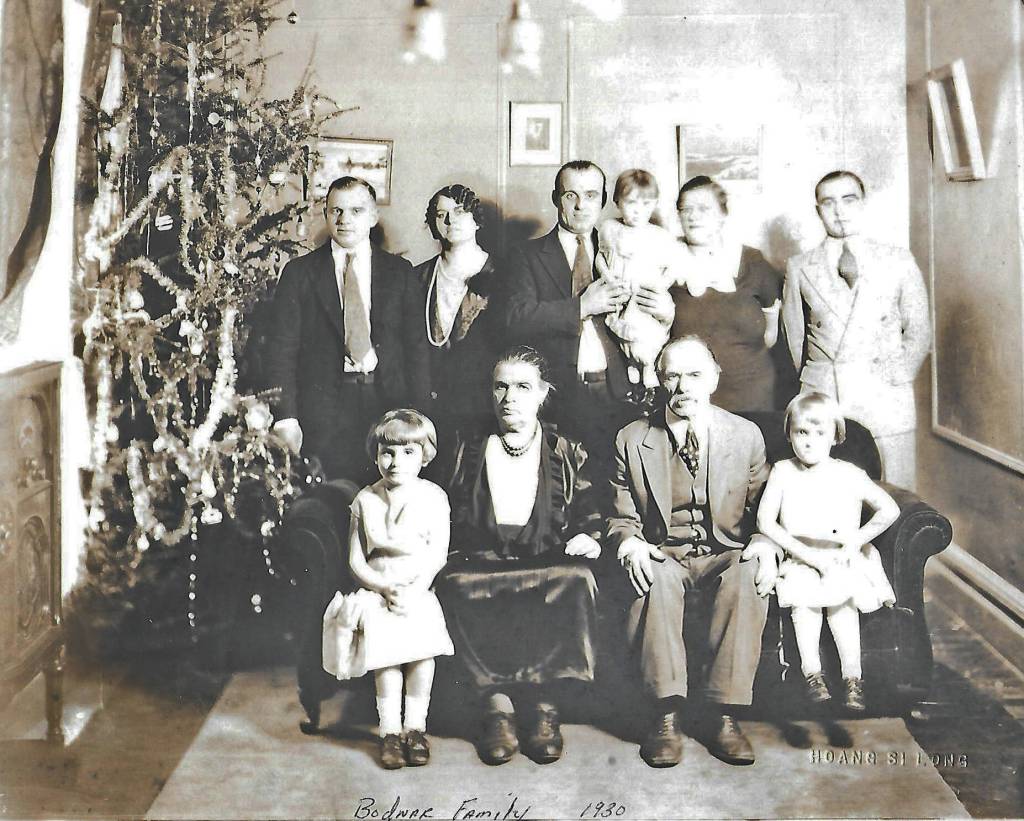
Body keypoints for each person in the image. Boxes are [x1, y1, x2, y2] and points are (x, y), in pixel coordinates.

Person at [607, 335, 778, 768]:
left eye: (695, 375)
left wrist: (764, 539)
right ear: (658, 380)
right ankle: (665, 716)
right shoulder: (632, 439)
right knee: (652, 576)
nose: (683, 386)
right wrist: (630, 543)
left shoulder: (745, 436)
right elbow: (620, 516)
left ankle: (724, 715)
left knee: (748, 573)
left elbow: (765, 509)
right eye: (673, 375)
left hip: (724, 550)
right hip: (664, 551)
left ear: (715, 378)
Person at [436, 346, 604, 766]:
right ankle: (498, 709)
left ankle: (545, 707)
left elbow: (589, 512)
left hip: (546, 557)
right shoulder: (466, 447)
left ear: (543, 394)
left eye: (523, 387)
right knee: (456, 584)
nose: (510, 397)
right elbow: (444, 507)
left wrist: (591, 536)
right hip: (480, 558)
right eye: (501, 387)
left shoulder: (565, 449)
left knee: (577, 578)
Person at [503, 160, 674, 475]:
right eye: (571, 195)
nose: (581, 205)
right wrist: (581, 307)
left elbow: (661, 308)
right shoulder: (525, 255)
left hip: (621, 394)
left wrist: (666, 312)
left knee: (615, 490)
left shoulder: (623, 246)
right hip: (557, 396)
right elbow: (515, 317)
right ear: (556, 198)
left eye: (591, 195)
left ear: (606, 199)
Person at [264, 175, 428, 482]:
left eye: (356, 211)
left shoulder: (399, 273)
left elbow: (416, 347)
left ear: (373, 216)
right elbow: (281, 351)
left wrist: (416, 414)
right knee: (327, 499)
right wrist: (286, 417)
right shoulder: (300, 274)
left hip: (386, 402)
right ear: (326, 214)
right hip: (322, 410)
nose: (344, 220)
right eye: (336, 210)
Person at [321, 409, 454, 769]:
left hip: (417, 588)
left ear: (425, 455)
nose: (396, 462)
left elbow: (437, 554)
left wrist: (414, 589)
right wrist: (382, 587)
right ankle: (390, 731)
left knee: (422, 654)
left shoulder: (434, 497)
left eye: (408, 452)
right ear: (376, 454)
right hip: (379, 590)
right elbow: (355, 561)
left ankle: (415, 727)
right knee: (388, 658)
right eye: (388, 452)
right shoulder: (365, 500)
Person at [782, 170, 931, 489]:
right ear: (817, 210)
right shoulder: (799, 266)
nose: (839, 210)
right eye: (828, 202)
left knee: (896, 492)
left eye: (849, 200)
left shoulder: (898, 260)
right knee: (826, 490)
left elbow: (919, 329)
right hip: (826, 396)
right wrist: (818, 378)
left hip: (884, 395)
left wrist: (899, 374)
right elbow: (795, 340)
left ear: (863, 203)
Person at [755, 392, 898, 712]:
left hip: (839, 557)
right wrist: (806, 555)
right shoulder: (782, 471)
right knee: (803, 606)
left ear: (835, 436)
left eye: (820, 433)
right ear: (789, 434)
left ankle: (853, 679)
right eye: (801, 433)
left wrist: (855, 541)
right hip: (801, 556)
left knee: (842, 607)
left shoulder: (848, 474)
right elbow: (766, 521)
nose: (809, 442)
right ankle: (811, 674)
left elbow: (889, 510)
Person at [669, 175, 785, 412]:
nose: (692, 215)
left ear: (722, 215)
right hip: (690, 398)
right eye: (685, 209)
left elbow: (773, 334)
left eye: (703, 208)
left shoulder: (753, 262)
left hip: (752, 396)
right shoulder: (667, 263)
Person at [414, 184, 503, 451]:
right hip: (431, 404)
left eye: (460, 211)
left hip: (484, 405)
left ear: (477, 220)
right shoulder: (417, 277)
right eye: (441, 215)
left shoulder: (504, 273)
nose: (450, 220)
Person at [595, 168, 681, 392]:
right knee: (621, 333)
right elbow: (600, 258)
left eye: (646, 204)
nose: (638, 211)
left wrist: (658, 288)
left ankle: (648, 366)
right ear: (617, 202)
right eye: (631, 203)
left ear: (654, 204)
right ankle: (631, 364)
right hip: (620, 289)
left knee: (646, 332)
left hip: (644, 293)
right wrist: (608, 276)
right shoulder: (610, 229)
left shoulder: (659, 236)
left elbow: (672, 268)